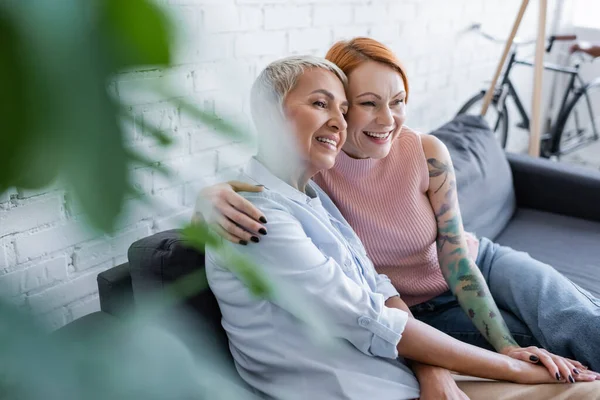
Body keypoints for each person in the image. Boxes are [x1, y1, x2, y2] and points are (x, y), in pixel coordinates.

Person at [197, 38, 600, 388]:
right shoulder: (317, 166)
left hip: (479, 263)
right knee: (543, 345)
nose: (388, 120)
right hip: (415, 310)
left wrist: (505, 347)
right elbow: (259, 189)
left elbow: (455, 257)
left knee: (575, 317)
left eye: (398, 101)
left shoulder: (425, 151)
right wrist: (208, 197)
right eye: (368, 103)